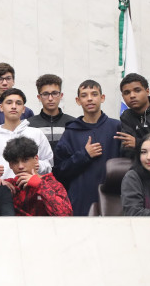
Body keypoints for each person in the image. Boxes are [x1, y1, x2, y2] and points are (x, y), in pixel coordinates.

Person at [53, 80, 124, 216]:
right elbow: (60, 172)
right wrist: (84, 155)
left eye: (94, 94)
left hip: (113, 199)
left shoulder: (116, 127)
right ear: (78, 100)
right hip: (80, 199)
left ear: (102, 98)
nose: (90, 99)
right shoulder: (71, 132)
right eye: (84, 95)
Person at [0, 89, 53, 179]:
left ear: (23, 109)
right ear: (1, 107)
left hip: (32, 188)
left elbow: (49, 163)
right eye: (9, 103)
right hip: (2, 189)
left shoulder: (36, 133)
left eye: (18, 103)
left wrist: (39, 165)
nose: (14, 106)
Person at [3, 136, 73, 216]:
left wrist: (40, 185)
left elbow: (66, 215)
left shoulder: (53, 184)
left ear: (36, 159)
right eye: (15, 162)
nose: (20, 166)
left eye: (25, 160)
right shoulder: (10, 185)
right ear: (10, 165)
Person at [27, 74, 75, 148]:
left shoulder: (72, 123)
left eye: (54, 93)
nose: (50, 98)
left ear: (61, 95)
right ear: (39, 97)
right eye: (45, 94)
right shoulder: (29, 125)